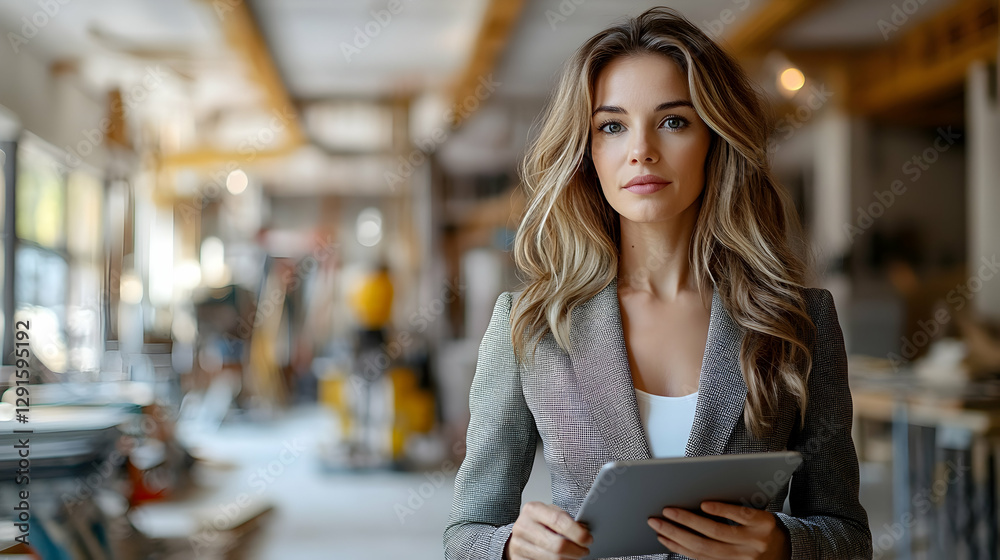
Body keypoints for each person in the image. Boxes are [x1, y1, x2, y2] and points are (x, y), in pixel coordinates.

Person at [444, 6, 872, 560]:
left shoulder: (798, 321)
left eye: (673, 121)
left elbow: (849, 535)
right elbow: (463, 535)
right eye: (612, 126)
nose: (641, 149)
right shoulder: (531, 323)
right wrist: (508, 548)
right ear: (587, 150)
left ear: (715, 137)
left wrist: (784, 545)